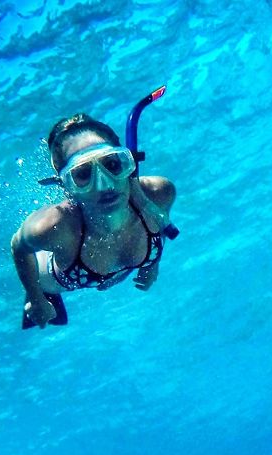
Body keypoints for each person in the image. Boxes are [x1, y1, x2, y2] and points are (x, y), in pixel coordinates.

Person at [11, 108, 176, 328]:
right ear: (66, 186)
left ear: (129, 164)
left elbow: (161, 223)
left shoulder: (158, 193)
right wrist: (36, 298)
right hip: (53, 280)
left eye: (112, 164)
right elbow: (18, 246)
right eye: (83, 174)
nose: (105, 184)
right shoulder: (53, 227)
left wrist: (152, 265)